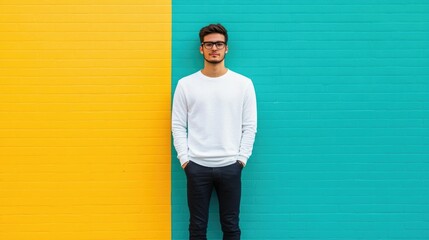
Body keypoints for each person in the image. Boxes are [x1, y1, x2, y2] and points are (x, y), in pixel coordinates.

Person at [171, 23, 257, 240]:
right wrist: (185, 161)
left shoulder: (243, 84)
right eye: (209, 44)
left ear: (226, 48)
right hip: (197, 166)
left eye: (219, 43)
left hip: (230, 166)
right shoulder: (186, 84)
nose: (214, 48)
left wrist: (241, 160)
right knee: (197, 228)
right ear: (201, 49)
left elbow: (249, 126)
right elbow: (178, 125)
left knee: (231, 226)